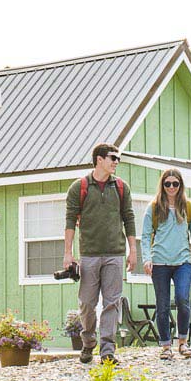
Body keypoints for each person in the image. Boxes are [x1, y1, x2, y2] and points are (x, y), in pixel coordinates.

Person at [64, 143, 136, 365]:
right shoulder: (80, 187)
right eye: (112, 158)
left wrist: (133, 250)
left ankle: (107, 350)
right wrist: (68, 253)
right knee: (87, 303)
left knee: (112, 303)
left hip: (115, 253)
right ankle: (88, 342)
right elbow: (70, 220)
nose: (116, 162)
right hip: (89, 254)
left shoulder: (122, 187)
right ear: (99, 160)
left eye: (118, 159)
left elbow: (129, 218)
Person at [141, 168, 191, 360]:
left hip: (183, 262)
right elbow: (145, 236)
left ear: (180, 185)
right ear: (162, 185)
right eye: (167, 184)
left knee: (182, 300)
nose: (171, 187)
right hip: (159, 262)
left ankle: (183, 342)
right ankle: (165, 346)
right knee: (162, 305)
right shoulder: (153, 207)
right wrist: (147, 258)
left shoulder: (188, 207)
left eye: (175, 184)